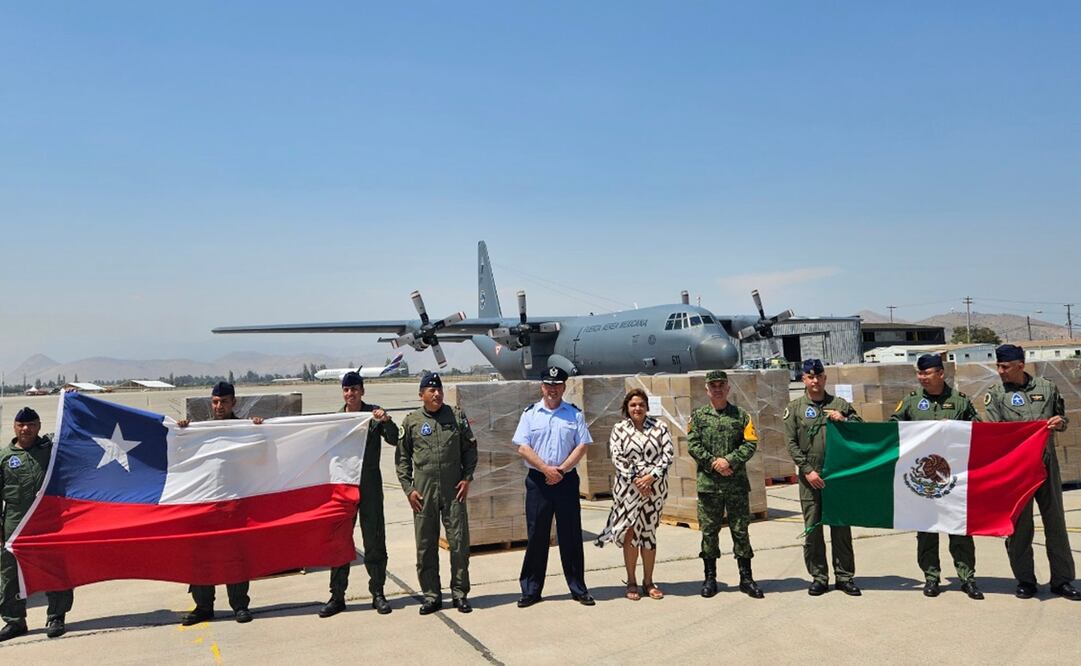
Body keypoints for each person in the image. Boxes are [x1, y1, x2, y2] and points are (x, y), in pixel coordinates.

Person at [984, 344, 1080, 601]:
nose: (1000, 371)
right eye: (998, 366)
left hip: (1046, 464)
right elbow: (993, 433)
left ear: (1020, 365)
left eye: (1005, 367)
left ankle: (1063, 580)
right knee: (1020, 526)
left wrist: (1060, 423)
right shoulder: (996, 395)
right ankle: (1025, 580)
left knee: (1056, 523)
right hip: (1016, 470)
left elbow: (1062, 418)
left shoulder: (1046, 388)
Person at [889, 354, 983, 600]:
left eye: (926, 373)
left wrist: (953, 428)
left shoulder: (960, 402)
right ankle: (931, 577)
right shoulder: (911, 402)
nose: (922, 378)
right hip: (922, 481)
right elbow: (892, 429)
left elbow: (979, 432)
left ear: (941, 373)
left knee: (959, 530)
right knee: (927, 529)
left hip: (954, 478)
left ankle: (967, 578)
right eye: (919, 374)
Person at [177, 382, 262, 625]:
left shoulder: (243, 428)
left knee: (234, 556)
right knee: (201, 556)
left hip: (233, 503)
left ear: (233, 402)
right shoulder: (200, 429)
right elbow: (181, 455)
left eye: (224, 401)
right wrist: (182, 432)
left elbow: (261, 456)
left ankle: (239, 605)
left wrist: (259, 430)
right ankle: (203, 605)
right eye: (215, 402)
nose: (219, 406)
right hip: (203, 503)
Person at [395, 372, 478, 614]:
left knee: (459, 543)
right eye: (431, 390)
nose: (437, 393)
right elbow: (402, 460)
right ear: (421, 395)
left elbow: (470, 449)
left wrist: (467, 478)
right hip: (424, 493)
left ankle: (460, 594)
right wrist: (409, 490)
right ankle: (431, 596)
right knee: (425, 545)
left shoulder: (456, 416)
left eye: (439, 389)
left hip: (453, 490)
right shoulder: (411, 422)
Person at [319, 371, 399, 618]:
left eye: (354, 389)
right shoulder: (337, 420)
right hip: (344, 487)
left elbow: (395, 439)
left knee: (374, 539)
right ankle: (337, 595)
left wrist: (385, 420)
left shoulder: (373, 415)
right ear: (342, 392)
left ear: (362, 391)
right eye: (346, 390)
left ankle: (378, 592)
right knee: (340, 539)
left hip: (370, 486)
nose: (350, 394)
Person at [513, 366, 595, 608]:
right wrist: (547, 470)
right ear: (542, 387)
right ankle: (531, 590)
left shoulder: (574, 414)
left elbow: (582, 446)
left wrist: (560, 470)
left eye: (557, 385)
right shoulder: (530, 414)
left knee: (570, 535)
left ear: (564, 387)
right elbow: (523, 447)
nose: (552, 389)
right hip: (539, 482)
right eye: (548, 385)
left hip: (566, 481)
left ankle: (578, 588)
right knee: (537, 536)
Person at [783, 359, 863, 596]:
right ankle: (819, 576)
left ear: (825, 378)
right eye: (810, 377)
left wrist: (845, 419)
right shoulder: (795, 408)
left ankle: (844, 576)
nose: (815, 381)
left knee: (840, 527)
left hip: (838, 476)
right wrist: (807, 470)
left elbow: (862, 429)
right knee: (813, 528)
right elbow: (790, 443)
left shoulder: (839, 404)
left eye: (819, 376)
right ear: (803, 380)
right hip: (811, 477)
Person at [687, 370, 765, 599]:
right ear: (707, 390)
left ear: (728, 388)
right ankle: (710, 578)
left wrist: (729, 460)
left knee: (740, 531)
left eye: (721, 385)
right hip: (709, 485)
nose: (717, 389)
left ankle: (746, 578)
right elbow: (693, 444)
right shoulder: (698, 417)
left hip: (736, 485)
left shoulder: (741, 416)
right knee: (709, 532)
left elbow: (750, 443)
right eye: (713, 386)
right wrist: (714, 463)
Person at [0, 407, 74, 641]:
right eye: (21, 425)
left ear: (39, 426)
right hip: (15, 523)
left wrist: (71, 399)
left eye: (31, 424)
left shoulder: (50, 450)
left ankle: (56, 616)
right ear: (14, 427)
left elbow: (75, 435)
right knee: (9, 574)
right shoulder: (4, 457)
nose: (26, 429)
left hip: (48, 522)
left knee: (54, 569)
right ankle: (15, 621)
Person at [594, 388, 675, 600]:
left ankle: (649, 582)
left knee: (648, 533)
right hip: (628, 490)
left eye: (640, 404)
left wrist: (651, 477)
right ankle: (631, 581)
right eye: (633, 405)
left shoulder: (660, 427)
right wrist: (638, 480)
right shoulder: (619, 429)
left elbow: (667, 455)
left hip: (654, 489)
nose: (637, 408)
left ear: (647, 406)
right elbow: (616, 457)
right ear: (626, 408)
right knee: (630, 533)